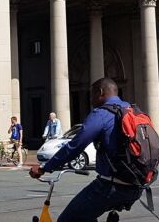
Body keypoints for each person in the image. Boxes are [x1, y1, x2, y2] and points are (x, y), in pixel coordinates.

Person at [29, 78, 143, 222]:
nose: (90, 100)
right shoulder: (133, 110)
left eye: (91, 95)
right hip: (137, 185)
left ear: (100, 92)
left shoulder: (101, 114)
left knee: (67, 219)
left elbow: (76, 145)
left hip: (111, 186)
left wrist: (45, 167)